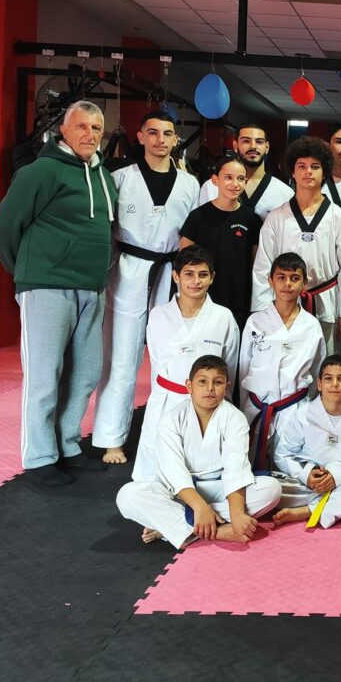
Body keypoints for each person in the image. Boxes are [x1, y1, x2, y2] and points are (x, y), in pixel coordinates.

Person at [0, 101, 117, 487]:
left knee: (86, 373)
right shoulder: (40, 171)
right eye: (81, 126)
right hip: (47, 287)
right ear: (63, 130)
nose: (89, 135)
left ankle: (67, 445)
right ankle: (39, 458)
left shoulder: (104, 176)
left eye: (96, 128)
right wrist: (28, 272)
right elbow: (3, 228)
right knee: (45, 376)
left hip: (91, 288)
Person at [92, 110, 200, 464]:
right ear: (140, 137)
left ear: (175, 139)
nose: (160, 140)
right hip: (128, 270)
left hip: (170, 272)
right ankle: (111, 438)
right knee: (121, 356)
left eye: (167, 134)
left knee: (171, 357)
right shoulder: (120, 178)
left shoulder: (190, 184)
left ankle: (169, 437)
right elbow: (106, 230)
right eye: (152, 133)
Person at [115, 355, 283, 548]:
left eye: (217, 382)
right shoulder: (171, 420)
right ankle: (216, 531)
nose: (210, 388)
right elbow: (173, 471)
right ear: (189, 386)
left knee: (271, 489)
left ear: (226, 387)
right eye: (202, 381)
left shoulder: (235, 419)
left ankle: (175, 527)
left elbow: (236, 469)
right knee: (127, 495)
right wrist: (199, 506)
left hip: (221, 487)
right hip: (181, 493)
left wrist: (237, 514)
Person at [131, 247, 240, 483]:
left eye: (202, 274)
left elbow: (229, 365)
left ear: (212, 277)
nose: (196, 281)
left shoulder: (223, 317)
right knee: (154, 475)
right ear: (176, 276)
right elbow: (157, 364)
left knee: (207, 473)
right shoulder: (159, 315)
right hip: (167, 400)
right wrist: (160, 397)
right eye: (189, 274)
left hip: (208, 403)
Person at [251, 136, 341, 352]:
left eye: (315, 166)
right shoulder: (277, 217)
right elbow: (263, 267)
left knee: (325, 364)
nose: (308, 172)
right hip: (283, 301)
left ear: (325, 172)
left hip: (326, 303)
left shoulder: (338, 217)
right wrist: (262, 309)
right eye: (301, 166)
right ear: (292, 172)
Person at [271, 356, 341, 529]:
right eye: (328, 379)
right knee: (271, 487)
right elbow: (282, 454)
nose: (334, 384)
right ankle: (335, 505)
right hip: (307, 485)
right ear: (319, 384)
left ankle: (309, 510)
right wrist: (307, 475)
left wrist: (336, 476)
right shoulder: (303, 413)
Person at [239, 253, 326, 471]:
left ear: (304, 283)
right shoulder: (255, 321)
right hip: (257, 406)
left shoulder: (311, 326)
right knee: (249, 469)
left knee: (291, 470)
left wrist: (307, 402)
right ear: (270, 280)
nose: (287, 284)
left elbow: (318, 370)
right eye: (281, 277)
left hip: (295, 407)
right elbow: (243, 368)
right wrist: (243, 406)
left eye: (294, 278)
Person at [179, 154, 261, 330]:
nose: (235, 184)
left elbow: (256, 263)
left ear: (246, 182)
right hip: (203, 296)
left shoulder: (251, 219)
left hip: (239, 297)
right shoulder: (197, 217)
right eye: (228, 177)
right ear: (215, 180)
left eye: (240, 179)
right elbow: (183, 261)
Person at [198, 123, 292, 220]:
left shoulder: (284, 193)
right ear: (235, 146)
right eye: (246, 141)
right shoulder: (212, 186)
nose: (253, 146)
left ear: (267, 147)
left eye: (259, 142)